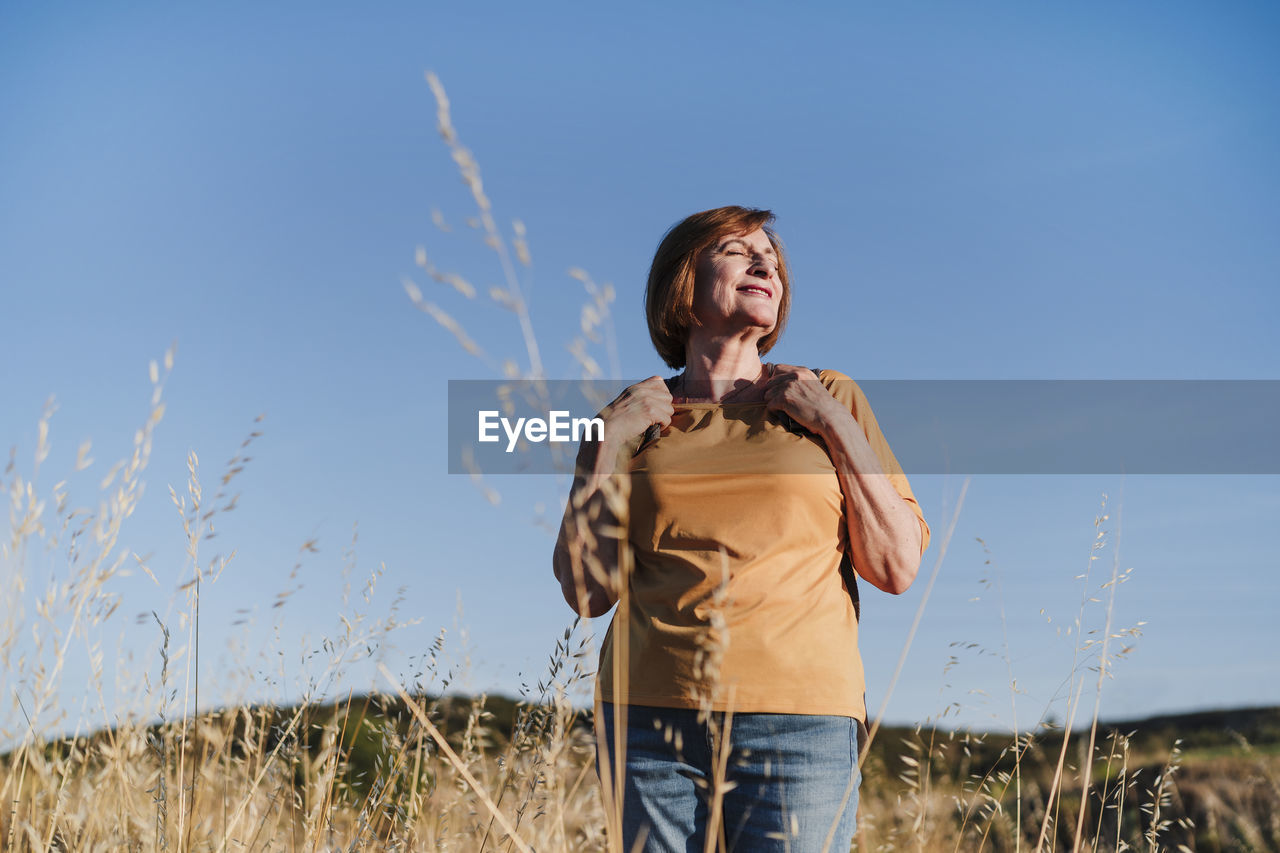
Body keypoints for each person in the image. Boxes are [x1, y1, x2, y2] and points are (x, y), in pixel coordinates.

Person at [552, 206, 930, 851]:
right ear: (683, 282)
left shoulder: (827, 395)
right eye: (737, 251)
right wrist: (601, 446)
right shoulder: (634, 418)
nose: (765, 265)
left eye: (773, 260)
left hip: (799, 718)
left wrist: (832, 423)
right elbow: (589, 595)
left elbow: (895, 566)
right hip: (648, 718)